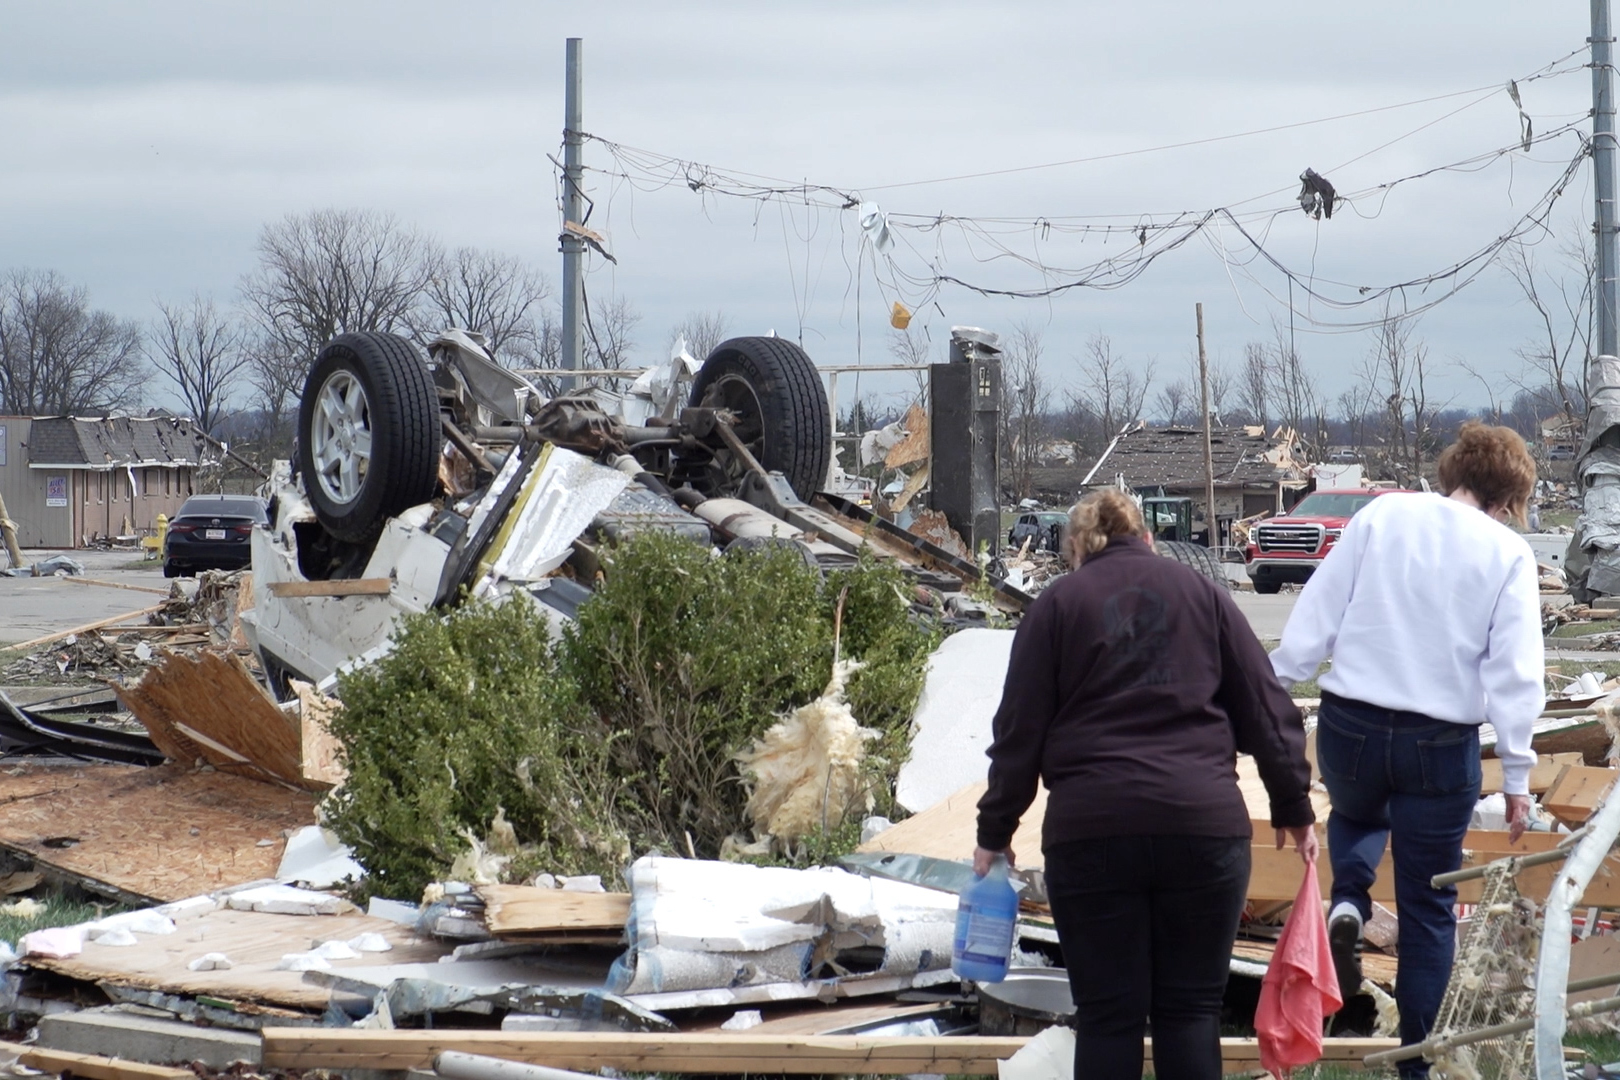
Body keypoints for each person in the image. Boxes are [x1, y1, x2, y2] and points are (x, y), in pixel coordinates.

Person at [975, 489, 1316, 1080]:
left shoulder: (1055, 607)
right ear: (1149, 539)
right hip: (1202, 828)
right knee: (1190, 1012)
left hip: (1092, 832)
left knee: (1109, 1016)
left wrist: (995, 828)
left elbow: (1018, 729)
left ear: (1077, 549)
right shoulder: (1205, 597)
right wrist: (1292, 804)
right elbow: (1266, 706)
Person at [1270, 422, 1542, 1075]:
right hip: (1439, 738)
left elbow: (1320, 607)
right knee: (1428, 911)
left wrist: (1276, 679)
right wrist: (1517, 775)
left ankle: (1349, 901)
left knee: (1360, 814)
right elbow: (1515, 673)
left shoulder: (1383, 515)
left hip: (1351, 719)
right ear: (1507, 497)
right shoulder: (1507, 553)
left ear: (1453, 471)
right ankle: (1415, 1064)